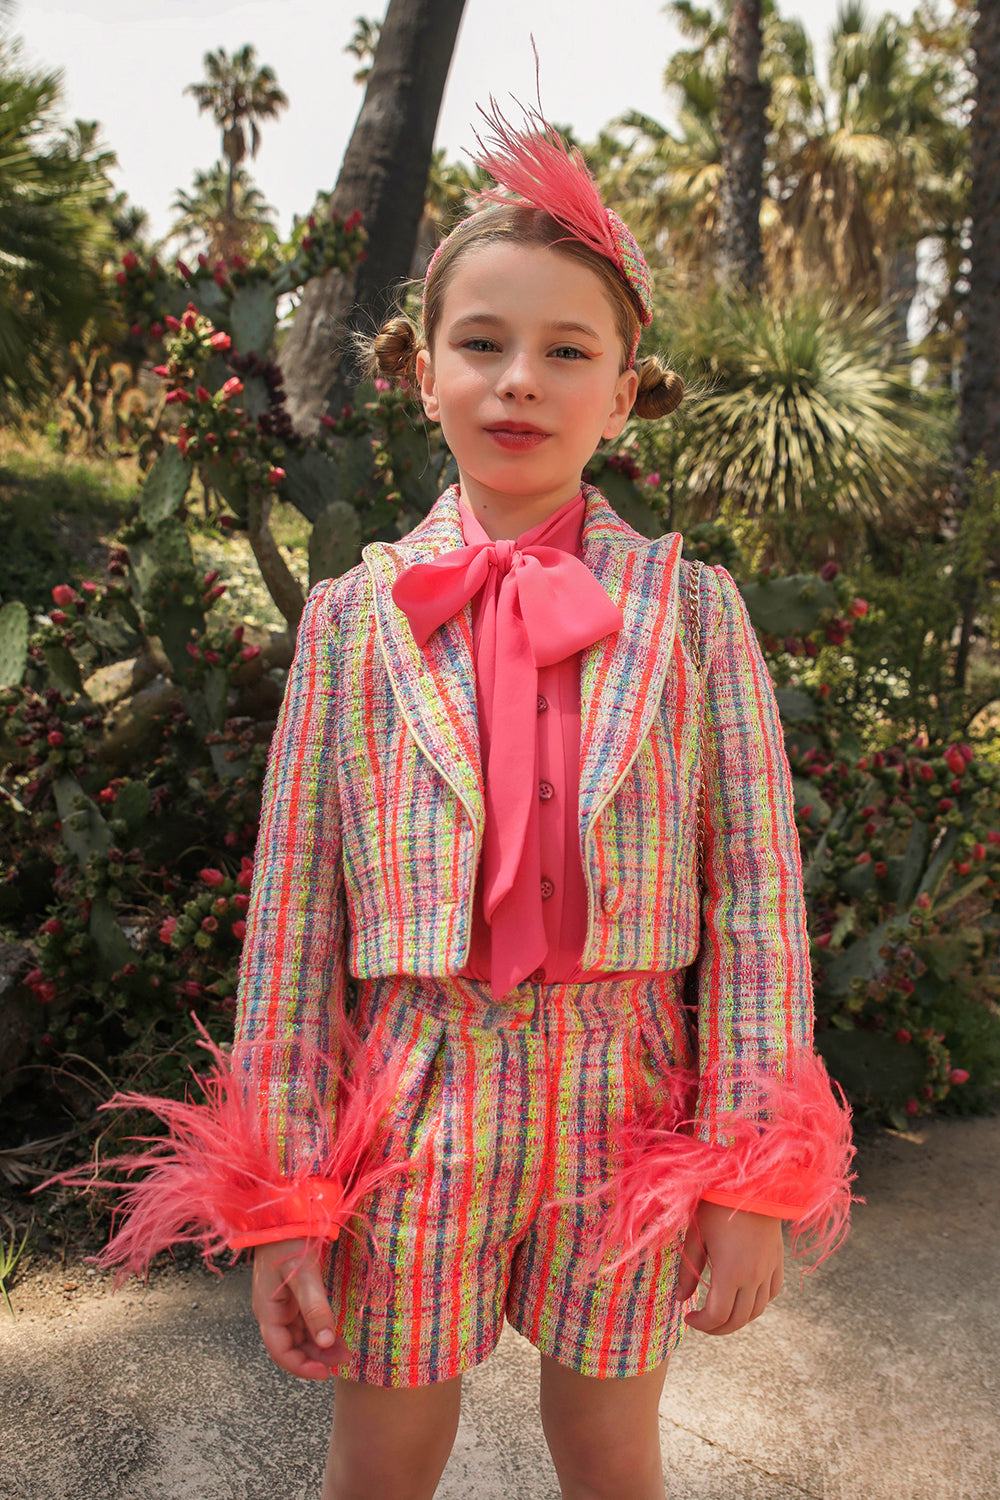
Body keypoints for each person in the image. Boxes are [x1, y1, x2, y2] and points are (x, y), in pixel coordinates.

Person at [69, 103, 854, 1500]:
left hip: (625, 1096)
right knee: (383, 1448)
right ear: (418, 370)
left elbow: (760, 911)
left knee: (611, 1446)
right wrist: (286, 1197)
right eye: (481, 343)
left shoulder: (690, 612)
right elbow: (294, 917)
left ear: (624, 391)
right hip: (416, 1094)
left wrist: (747, 1175)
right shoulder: (355, 620)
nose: (519, 382)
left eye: (568, 352)